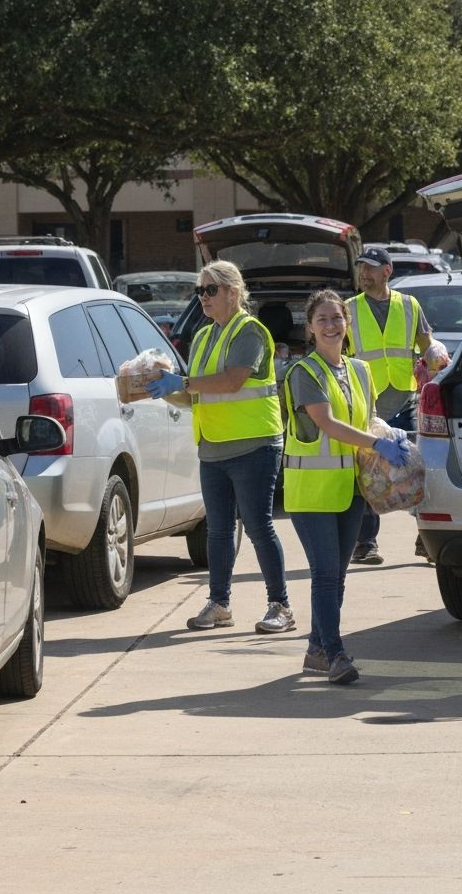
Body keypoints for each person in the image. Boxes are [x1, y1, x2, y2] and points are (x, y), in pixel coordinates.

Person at [147, 260, 294, 635]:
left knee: (259, 526)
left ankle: (281, 606)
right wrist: (164, 390)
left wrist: (182, 381)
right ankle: (220, 603)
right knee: (218, 530)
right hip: (213, 447)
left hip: (253, 445)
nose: (204, 297)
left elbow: (230, 382)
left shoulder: (250, 332)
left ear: (233, 291)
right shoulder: (202, 336)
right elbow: (198, 394)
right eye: (199, 291)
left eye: (210, 290)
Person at [283, 289, 409, 683]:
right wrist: (376, 443)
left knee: (336, 576)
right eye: (322, 319)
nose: (331, 325)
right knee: (324, 573)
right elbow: (327, 423)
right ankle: (335, 654)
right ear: (310, 328)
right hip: (312, 492)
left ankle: (317, 651)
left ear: (346, 324)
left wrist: (389, 434)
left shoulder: (359, 370)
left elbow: (367, 417)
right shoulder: (305, 373)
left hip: (352, 489)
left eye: (336, 318)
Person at [345, 246, 434, 564]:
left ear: (387, 271)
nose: (364, 274)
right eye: (361, 269)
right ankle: (366, 544)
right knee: (369, 471)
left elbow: (427, 347)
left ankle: (426, 539)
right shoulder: (349, 309)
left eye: (370, 268)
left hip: (406, 398)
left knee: (419, 469)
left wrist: (435, 355)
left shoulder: (410, 305)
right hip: (370, 403)